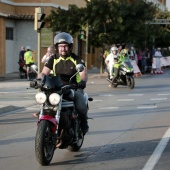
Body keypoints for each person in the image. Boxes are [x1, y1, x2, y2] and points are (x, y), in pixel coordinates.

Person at [37, 32, 89, 134]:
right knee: (45, 100)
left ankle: (84, 123)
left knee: (80, 105)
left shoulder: (76, 59)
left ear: (70, 47)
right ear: (57, 47)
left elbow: (83, 73)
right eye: (60, 46)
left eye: (65, 46)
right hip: (57, 88)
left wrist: (82, 81)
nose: (63, 49)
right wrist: (38, 80)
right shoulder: (53, 59)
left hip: (74, 87)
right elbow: (43, 72)